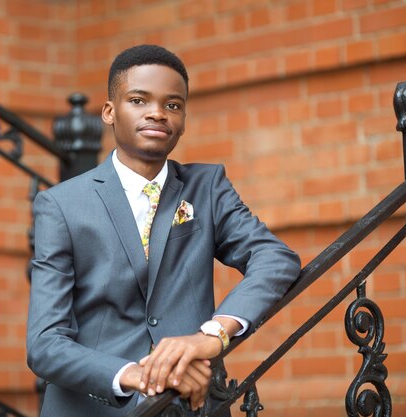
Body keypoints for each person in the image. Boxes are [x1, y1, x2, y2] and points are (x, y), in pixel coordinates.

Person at [26, 44, 301, 417]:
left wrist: (211, 336)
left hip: (190, 405)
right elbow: (45, 344)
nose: (157, 113)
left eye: (173, 105)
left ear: (184, 119)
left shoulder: (206, 188)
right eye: (139, 100)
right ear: (110, 112)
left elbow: (275, 258)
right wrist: (140, 375)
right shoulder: (61, 205)